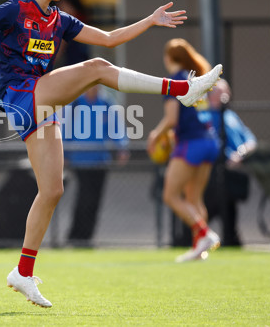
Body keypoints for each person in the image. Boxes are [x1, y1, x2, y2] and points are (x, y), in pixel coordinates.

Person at [0, 0, 222, 307]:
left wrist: (149, 21)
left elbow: (108, 38)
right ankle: (181, 89)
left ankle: (23, 272)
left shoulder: (60, 19)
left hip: (43, 101)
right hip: (20, 95)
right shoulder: (14, 10)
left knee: (53, 189)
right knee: (96, 69)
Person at [146, 38, 221, 263]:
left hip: (191, 144)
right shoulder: (195, 78)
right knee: (194, 198)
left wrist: (155, 134)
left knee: (170, 195)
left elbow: (172, 118)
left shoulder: (174, 80)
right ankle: (200, 248)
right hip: (209, 141)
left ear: (168, 58)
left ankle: (205, 234)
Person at [63, 85, 129, 246]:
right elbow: (64, 129)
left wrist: (122, 148)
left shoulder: (106, 103)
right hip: (80, 160)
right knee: (84, 198)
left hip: (100, 160)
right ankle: (75, 236)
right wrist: (64, 154)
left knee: (95, 200)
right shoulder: (76, 104)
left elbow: (117, 128)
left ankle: (87, 237)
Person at [202, 78, 257, 246]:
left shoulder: (231, 116)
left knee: (230, 215)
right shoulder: (205, 117)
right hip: (211, 177)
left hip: (230, 176)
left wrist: (239, 154)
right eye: (221, 92)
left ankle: (231, 240)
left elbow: (250, 140)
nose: (226, 96)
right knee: (207, 213)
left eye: (227, 91)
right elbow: (210, 143)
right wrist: (227, 156)